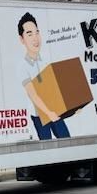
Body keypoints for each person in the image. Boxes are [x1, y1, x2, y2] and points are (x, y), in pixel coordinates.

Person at [17, 12, 70, 140]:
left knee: (66, 140)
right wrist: (48, 113)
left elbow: (55, 88)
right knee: (47, 145)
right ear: (22, 39)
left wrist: (72, 107)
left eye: (37, 32)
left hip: (54, 110)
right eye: (29, 34)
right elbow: (33, 95)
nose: (35, 38)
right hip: (39, 114)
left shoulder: (45, 60)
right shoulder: (23, 67)